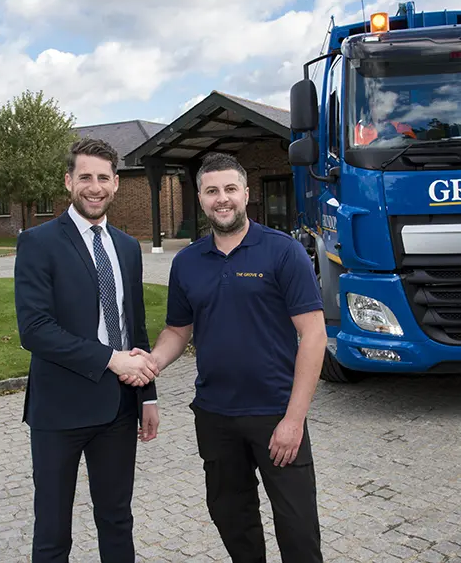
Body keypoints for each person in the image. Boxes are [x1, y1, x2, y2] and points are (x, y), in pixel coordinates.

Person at [124, 152, 328, 562]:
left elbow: (314, 335)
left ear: (246, 194)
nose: (222, 198)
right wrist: (153, 363)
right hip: (215, 416)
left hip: (275, 414)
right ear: (199, 198)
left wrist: (294, 419)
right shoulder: (187, 262)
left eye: (230, 189)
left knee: (298, 527)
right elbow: (178, 331)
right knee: (232, 520)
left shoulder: (283, 252)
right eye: (212, 190)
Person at [14, 137, 162, 563]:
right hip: (59, 410)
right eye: (85, 178)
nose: (94, 187)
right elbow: (35, 330)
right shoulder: (38, 243)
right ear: (68, 182)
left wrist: (147, 394)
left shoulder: (127, 247)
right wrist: (112, 360)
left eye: (103, 178)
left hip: (118, 409)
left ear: (116, 183)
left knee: (117, 521)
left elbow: (135, 324)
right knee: (53, 529)